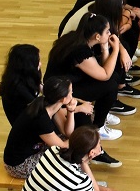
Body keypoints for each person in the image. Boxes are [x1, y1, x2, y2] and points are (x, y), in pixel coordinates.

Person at [45, 12, 125, 148]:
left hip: (67, 83)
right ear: (97, 36)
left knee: (113, 78)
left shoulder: (75, 38)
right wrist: (116, 49)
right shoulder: (80, 51)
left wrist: (105, 49)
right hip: (61, 91)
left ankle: (101, 113)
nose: (110, 34)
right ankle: (99, 127)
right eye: (107, 31)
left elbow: (104, 70)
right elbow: (105, 75)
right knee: (111, 84)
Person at [3, 76, 105, 178]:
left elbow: (68, 133)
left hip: (35, 149)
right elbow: (63, 146)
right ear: (63, 99)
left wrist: (71, 111)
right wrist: (85, 141)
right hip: (19, 165)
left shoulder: (50, 104)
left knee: (74, 148)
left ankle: (84, 181)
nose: (72, 95)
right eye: (71, 93)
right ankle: (80, 182)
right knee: (70, 155)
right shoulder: (41, 119)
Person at [0, 43, 43, 125]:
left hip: (33, 116)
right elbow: (39, 107)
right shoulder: (18, 88)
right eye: (38, 61)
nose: (40, 64)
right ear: (29, 65)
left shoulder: (26, 76)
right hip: (26, 125)